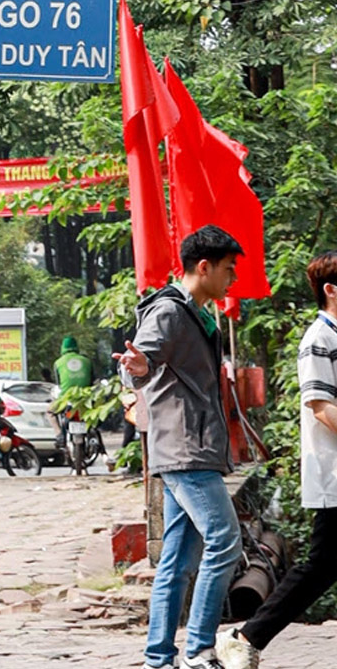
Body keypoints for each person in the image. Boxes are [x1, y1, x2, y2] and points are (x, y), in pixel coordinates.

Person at [113, 225, 244, 669]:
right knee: (225, 540)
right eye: (228, 270)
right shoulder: (169, 312)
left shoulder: (198, 313)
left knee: (177, 559)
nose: (232, 279)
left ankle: (158, 658)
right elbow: (137, 364)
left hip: (190, 446)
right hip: (185, 449)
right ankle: (200, 649)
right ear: (203, 267)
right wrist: (138, 365)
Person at [216, 251, 337, 669]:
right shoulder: (319, 340)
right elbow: (321, 406)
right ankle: (246, 636)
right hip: (335, 473)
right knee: (321, 566)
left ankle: (247, 636)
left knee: (322, 567)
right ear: (330, 290)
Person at [48, 335, 94, 446]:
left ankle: (59, 434)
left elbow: (58, 383)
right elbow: (92, 380)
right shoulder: (87, 361)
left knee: (50, 412)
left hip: (66, 398)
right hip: (85, 398)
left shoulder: (58, 363)